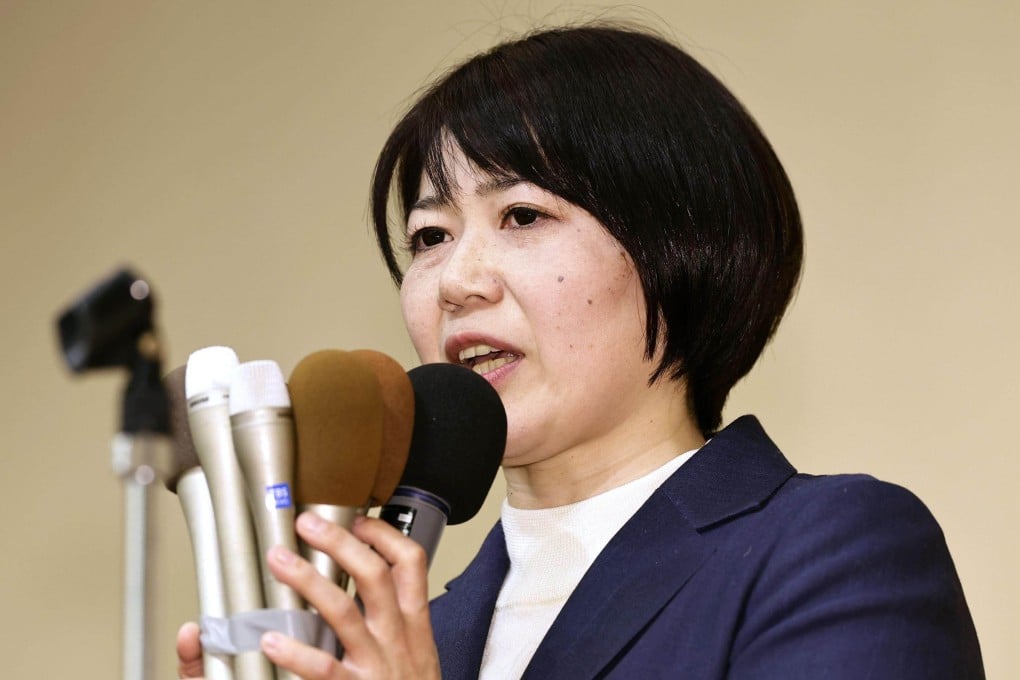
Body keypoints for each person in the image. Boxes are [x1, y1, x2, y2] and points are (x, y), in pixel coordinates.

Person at [179, 23, 983, 679]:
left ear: (684, 244)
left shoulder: (834, 549)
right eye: (429, 236)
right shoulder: (425, 632)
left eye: (522, 216)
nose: (457, 281)